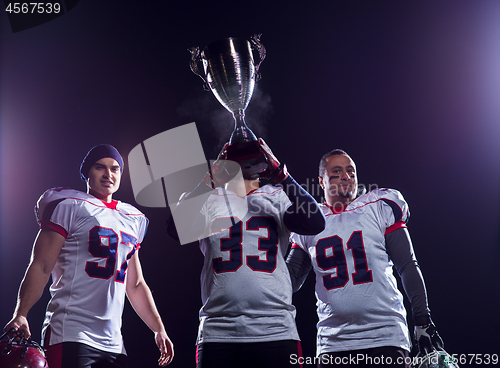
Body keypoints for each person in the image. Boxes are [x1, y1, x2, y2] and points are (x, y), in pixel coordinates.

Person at [3, 144, 174, 368]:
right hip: (71, 330)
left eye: (115, 169)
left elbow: (136, 284)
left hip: (113, 341)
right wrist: (21, 313)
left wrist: (159, 329)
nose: (108, 174)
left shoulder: (132, 219)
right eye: (100, 167)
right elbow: (41, 265)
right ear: (87, 173)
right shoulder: (69, 205)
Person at [167, 139, 326, 368]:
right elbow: (175, 229)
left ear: (262, 165)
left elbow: (315, 223)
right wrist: (209, 180)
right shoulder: (209, 200)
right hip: (218, 332)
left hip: (275, 329)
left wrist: (282, 175)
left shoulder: (277, 197)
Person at [286, 149, 444, 368]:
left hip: (385, 336)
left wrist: (422, 319)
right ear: (321, 181)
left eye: (351, 171)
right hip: (334, 343)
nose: (346, 176)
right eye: (337, 171)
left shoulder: (378, 206)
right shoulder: (310, 222)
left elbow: (407, 266)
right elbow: (289, 281)